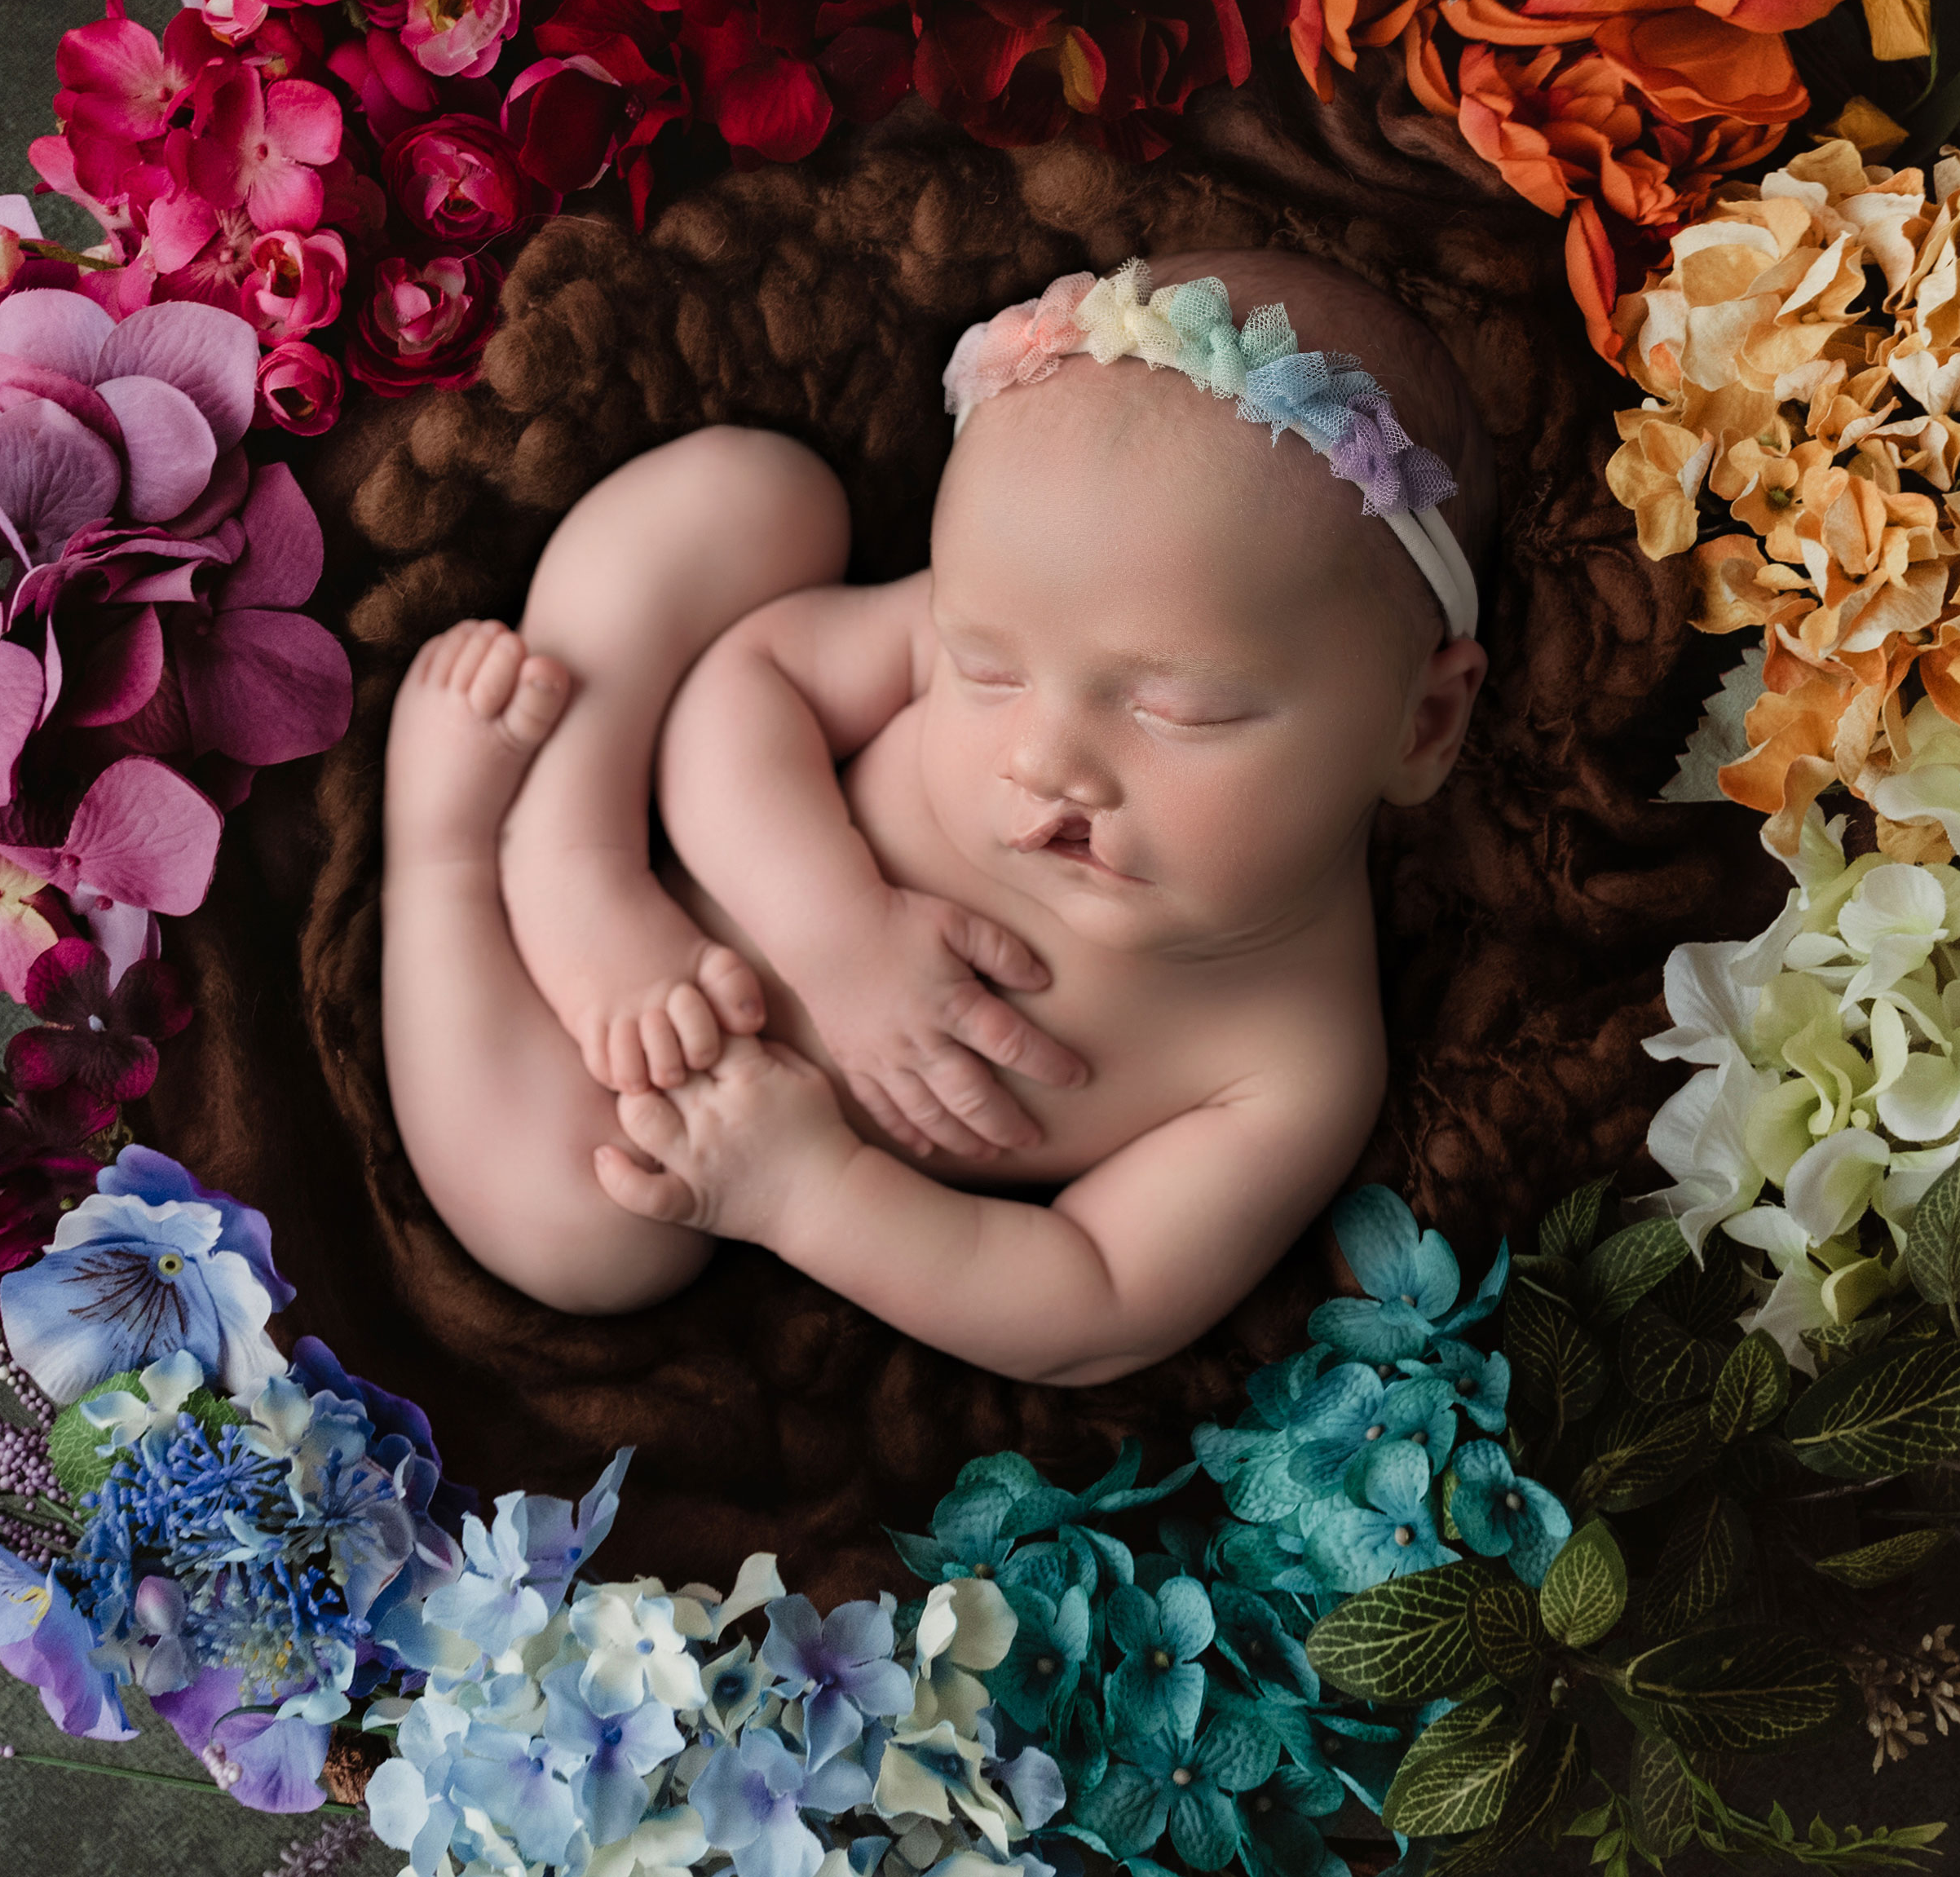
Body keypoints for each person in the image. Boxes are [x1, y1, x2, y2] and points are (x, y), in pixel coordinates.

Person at [377, 249, 1496, 1385]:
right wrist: (834, 932)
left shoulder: (1296, 1060)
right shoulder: (1037, 605)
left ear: (1423, 724)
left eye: (1181, 710)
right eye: (986, 673)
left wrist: (810, 1191)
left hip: (694, 1111)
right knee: (750, 497)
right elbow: (752, 679)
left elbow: (1097, 1298)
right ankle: (547, 846)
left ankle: (444, 861)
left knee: (592, 1239)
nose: (1044, 757)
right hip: (668, 814)